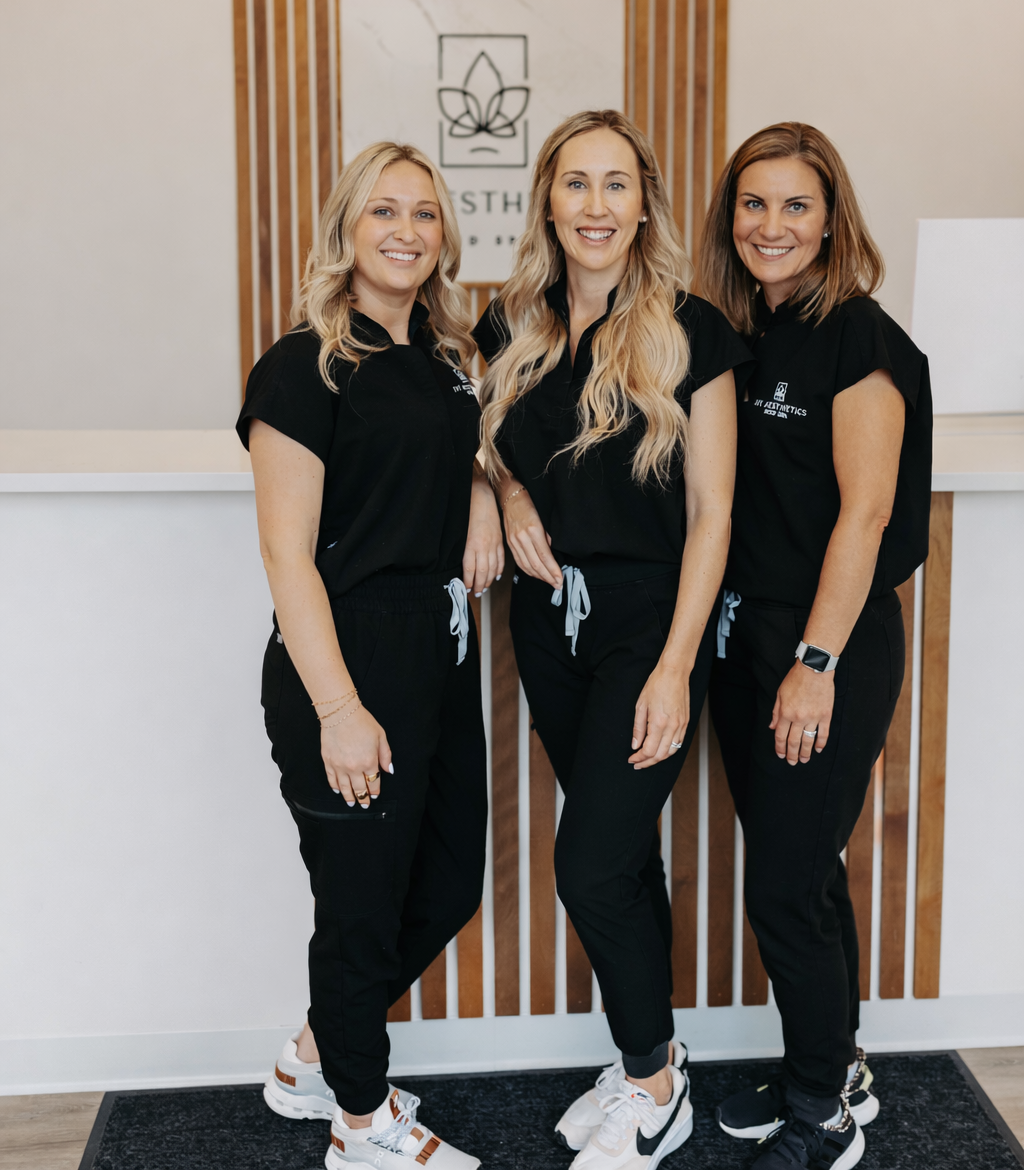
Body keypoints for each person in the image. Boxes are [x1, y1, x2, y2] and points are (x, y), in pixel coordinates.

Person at [474, 109, 752, 1170]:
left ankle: (651, 1086)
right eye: (576, 184)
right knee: (622, 853)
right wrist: (500, 493)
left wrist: (678, 666)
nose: (596, 206)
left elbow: (714, 513)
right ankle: (653, 1058)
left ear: (644, 204)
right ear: (547, 199)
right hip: (546, 626)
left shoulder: (691, 329)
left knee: (585, 865)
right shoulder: (509, 324)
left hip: (650, 625)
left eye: (616, 185)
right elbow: (484, 444)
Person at [237, 142, 503, 1170]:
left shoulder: (444, 356)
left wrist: (480, 492)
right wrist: (340, 709)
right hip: (341, 666)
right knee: (358, 910)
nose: (405, 231)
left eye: (425, 214)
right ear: (347, 227)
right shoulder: (301, 364)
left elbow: (459, 454)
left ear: (444, 235)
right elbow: (284, 554)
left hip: (436, 656)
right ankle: (358, 1121)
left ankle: (313, 1057)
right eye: (383, 211)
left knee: (442, 889)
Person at [698, 123, 932, 1170]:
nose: (771, 225)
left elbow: (867, 513)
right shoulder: (743, 331)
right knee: (803, 868)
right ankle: (828, 1065)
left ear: (831, 218)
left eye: (795, 205)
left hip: (821, 651)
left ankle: (823, 1119)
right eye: (754, 204)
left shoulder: (859, 338)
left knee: (784, 883)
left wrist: (816, 662)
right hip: (746, 641)